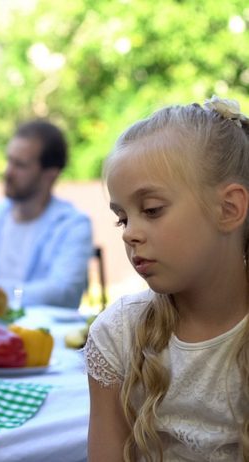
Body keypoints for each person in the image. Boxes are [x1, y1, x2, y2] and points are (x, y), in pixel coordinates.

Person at [85, 96, 249, 461]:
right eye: (122, 218)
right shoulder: (118, 335)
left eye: (152, 210)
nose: (129, 234)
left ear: (229, 209)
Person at [0, 120, 93, 308]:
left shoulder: (72, 225)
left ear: (50, 175)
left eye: (20, 165)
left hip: (45, 335)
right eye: (9, 160)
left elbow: (63, 292)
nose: (7, 172)